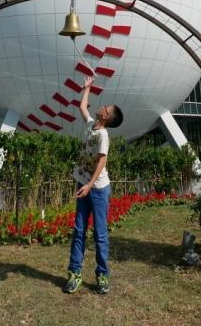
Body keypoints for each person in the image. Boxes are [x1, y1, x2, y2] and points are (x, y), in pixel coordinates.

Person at [63, 75, 123, 295]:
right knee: (79, 230)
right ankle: (74, 274)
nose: (103, 106)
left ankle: (102, 276)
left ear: (107, 117)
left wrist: (89, 185)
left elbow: (101, 161)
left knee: (100, 234)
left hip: (97, 189)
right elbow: (82, 106)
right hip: (84, 185)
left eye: (107, 107)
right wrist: (86, 88)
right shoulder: (91, 125)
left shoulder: (104, 135)